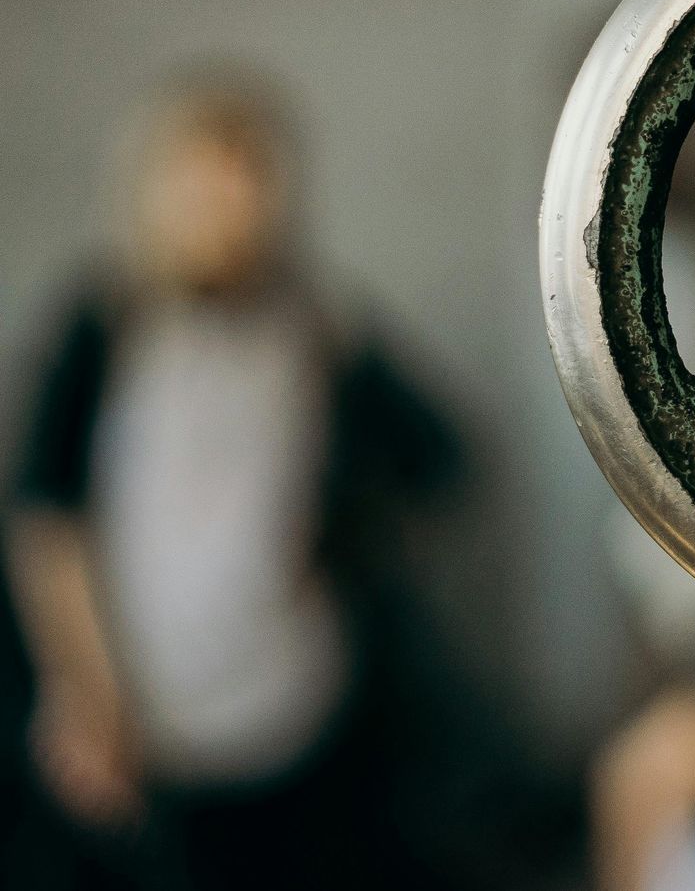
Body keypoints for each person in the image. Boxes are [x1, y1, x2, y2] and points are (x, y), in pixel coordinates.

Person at [5, 72, 460, 891]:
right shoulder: (101, 327)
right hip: (142, 721)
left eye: (246, 183)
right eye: (202, 186)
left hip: (294, 713)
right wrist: (82, 692)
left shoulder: (316, 330)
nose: (226, 212)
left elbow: (439, 461)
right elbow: (47, 517)